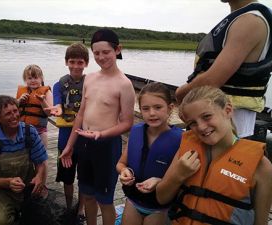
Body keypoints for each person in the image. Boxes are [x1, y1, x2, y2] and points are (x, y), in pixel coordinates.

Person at [156, 86, 272, 225]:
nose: (201, 127)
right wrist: (178, 175)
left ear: (228, 110)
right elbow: (161, 197)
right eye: (192, 123)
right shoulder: (186, 152)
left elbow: (261, 222)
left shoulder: (262, 166)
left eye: (207, 116)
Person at [60, 28, 136, 225]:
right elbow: (81, 114)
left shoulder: (124, 84)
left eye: (106, 52)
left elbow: (127, 123)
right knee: (87, 194)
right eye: (96, 53)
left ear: (117, 49)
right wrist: (70, 145)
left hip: (107, 146)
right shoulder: (90, 79)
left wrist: (101, 134)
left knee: (105, 200)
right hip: (85, 143)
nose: (101, 57)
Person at [175, 0, 272, 138]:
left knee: (223, 159)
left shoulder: (250, 20)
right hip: (210, 118)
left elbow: (212, 80)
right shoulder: (242, 17)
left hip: (228, 123)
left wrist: (180, 95)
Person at [0, 95, 48, 225]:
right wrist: (8, 182)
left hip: (27, 187)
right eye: (8, 113)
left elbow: (40, 162)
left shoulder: (29, 132)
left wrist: (39, 177)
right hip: (0, 192)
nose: (14, 116)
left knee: (44, 214)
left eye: (15, 111)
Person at [116, 82, 183, 225]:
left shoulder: (181, 140)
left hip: (160, 208)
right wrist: (124, 171)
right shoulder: (136, 132)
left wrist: (160, 181)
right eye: (145, 109)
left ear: (170, 108)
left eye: (158, 107)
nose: (152, 113)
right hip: (133, 201)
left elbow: (182, 180)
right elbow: (121, 163)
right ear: (140, 110)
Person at [52, 42, 89, 224]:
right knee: (67, 177)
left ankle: (80, 208)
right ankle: (68, 207)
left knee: (83, 177)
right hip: (65, 137)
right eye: (72, 62)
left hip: (84, 139)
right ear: (66, 62)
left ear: (86, 64)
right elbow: (58, 101)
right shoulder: (59, 84)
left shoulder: (90, 83)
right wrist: (57, 109)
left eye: (80, 62)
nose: (76, 66)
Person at [16, 64, 53, 148]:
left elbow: (50, 113)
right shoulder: (22, 91)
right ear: (25, 79)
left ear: (41, 78)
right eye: (29, 78)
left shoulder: (47, 92)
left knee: (41, 157)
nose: (33, 80)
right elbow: (13, 109)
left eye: (36, 78)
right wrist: (19, 101)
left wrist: (42, 101)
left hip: (40, 131)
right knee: (24, 156)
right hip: (22, 129)